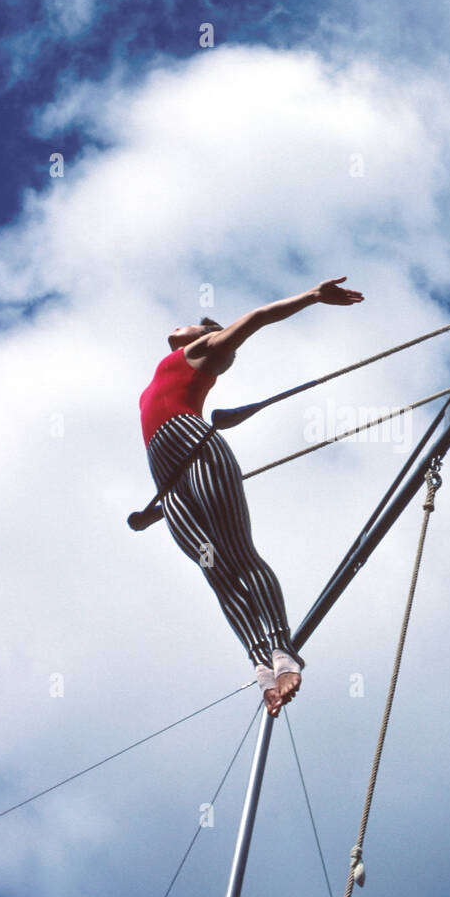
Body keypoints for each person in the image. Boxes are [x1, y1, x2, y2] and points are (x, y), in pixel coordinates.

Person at [139, 276, 364, 716]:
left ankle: (283, 650)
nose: (182, 325)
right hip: (166, 476)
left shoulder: (201, 351)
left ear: (207, 338)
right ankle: (261, 662)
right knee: (215, 569)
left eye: (196, 323)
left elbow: (259, 317)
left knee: (238, 555)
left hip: (193, 445)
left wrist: (314, 296)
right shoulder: (166, 366)